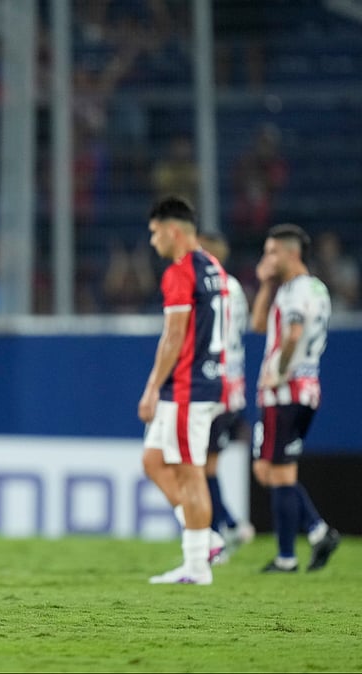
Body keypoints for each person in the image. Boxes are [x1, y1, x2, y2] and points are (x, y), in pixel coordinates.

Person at [137, 197, 226, 585]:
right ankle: (206, 538)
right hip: (202, 381)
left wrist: (152, 387)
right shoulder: (213, 267)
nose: (153, 241)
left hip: (188, 387)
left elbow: (174, 336)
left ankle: (197, 565)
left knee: (190, 474)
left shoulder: (180, 272)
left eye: (155, 233)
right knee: (154, 460)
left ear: (173, 232)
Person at [249, 223, 340, 573]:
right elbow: (259, 325)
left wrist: (280, 371)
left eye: (272, 252)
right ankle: (316, 532)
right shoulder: (315, 288)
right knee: (272, 469)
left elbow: (294, 333)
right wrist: (267, 283)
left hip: (285, 391)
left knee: (276, 471)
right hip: (306, 389)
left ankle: (290, 555)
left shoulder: (294, 292)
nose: (267, 258)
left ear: (291, 253)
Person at [197, 232, 256, 556]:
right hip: (233, 386)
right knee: (207, 465)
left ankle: (223, 531)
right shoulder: (235, 289)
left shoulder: (210, 288)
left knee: (201, 466)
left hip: (213, 385)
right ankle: (228, 527)